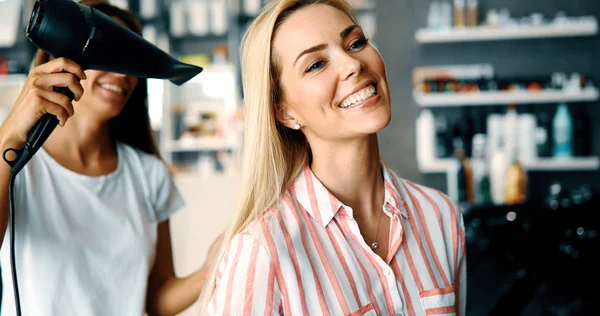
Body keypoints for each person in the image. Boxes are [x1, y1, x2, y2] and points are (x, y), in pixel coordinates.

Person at [202, 0, 467, 315]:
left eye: (355, 43)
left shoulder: (440, 216)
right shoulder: (263, 251)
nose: (352, 64)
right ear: (284, 112)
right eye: (316, 64)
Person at [0, 1, 221, 315]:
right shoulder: (15, 165)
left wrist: (212, 268)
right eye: (107, 52)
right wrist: (7, 136)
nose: (122, 71)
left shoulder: (149, 175)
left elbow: (156, 300)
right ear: (59, 61)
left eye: (131, 59)